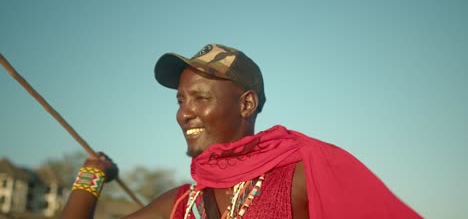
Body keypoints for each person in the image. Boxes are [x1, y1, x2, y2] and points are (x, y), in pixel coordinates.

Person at [61, 44, 422, 218]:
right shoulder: (180, 205)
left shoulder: (299, 174)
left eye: (199, 98)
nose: (184, 113)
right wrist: (92, 173)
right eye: (180, 101)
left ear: (246, 105)